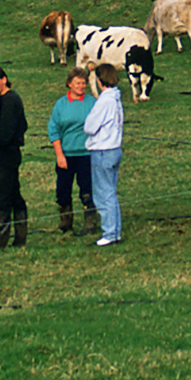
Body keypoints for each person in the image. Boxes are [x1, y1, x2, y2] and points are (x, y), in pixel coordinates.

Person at [0, 64, 29, 250]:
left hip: (6, 155)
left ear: (4, 80)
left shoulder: (9, 100)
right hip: (12, 153)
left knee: (2, 196)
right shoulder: (10, 98)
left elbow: (8, 130)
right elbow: (23, 125)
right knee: (14, 194)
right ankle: (20, 238)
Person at [47, 68, 97, 234]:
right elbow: (54, 130)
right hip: (67, 154)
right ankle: (66, 222)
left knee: (87, 190)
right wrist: (59, 155)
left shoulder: (92, 102)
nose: (81, 86)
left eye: (83, 83)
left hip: (86, 154)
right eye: (78, 83)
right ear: (69, 84)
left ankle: (90, 223)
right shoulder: (61, 104)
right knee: (63, 190)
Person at [83, 63, 126, 246]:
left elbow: (90, 127)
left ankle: (109, 233)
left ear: (100, 81)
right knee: (110, 192)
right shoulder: (116, 99)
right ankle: (114, 231)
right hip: (115, 148)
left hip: (103, 150)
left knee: (103, 194)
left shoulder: (104, 101)